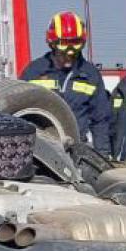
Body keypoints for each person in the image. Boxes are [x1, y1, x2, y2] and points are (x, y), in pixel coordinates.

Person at [20, 11, 112, 154]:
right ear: (52, 44)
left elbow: (100, 121)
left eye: (75, 46)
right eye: (64, 46)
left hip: (77, 149)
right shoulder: (34, 72)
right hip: (42, 151)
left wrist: (103, 156)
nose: (70, 53)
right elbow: (20, 114)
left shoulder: (91, 75)